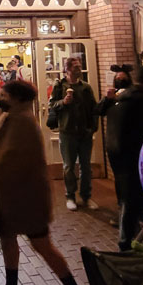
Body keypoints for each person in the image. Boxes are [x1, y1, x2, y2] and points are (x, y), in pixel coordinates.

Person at [0, 81, 92, 285]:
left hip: (27, 198)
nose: (0, 97)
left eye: (5, 94)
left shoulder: (23, 123)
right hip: (11, 196)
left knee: (42, 245)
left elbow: (8, 159)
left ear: (19, 99)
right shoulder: (10, 118)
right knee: (7, 238)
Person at [99, 66, 143, 248]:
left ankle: (128, 242)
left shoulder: (120, 100)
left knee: (129, 202)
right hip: (142, 159)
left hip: (122, 159)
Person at [49, 56, 98, 211]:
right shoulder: (59, 86)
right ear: (67, 69)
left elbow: (93, 108)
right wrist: (63, 102)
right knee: (69, 166)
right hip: (67, 131)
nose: (79, 69)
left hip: (84, 132)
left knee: (86, 166)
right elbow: (52, 105)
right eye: (75, 66)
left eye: (79, 66)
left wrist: (92, 127)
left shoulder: (86, 87)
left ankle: (86, 196)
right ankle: (70, 196)